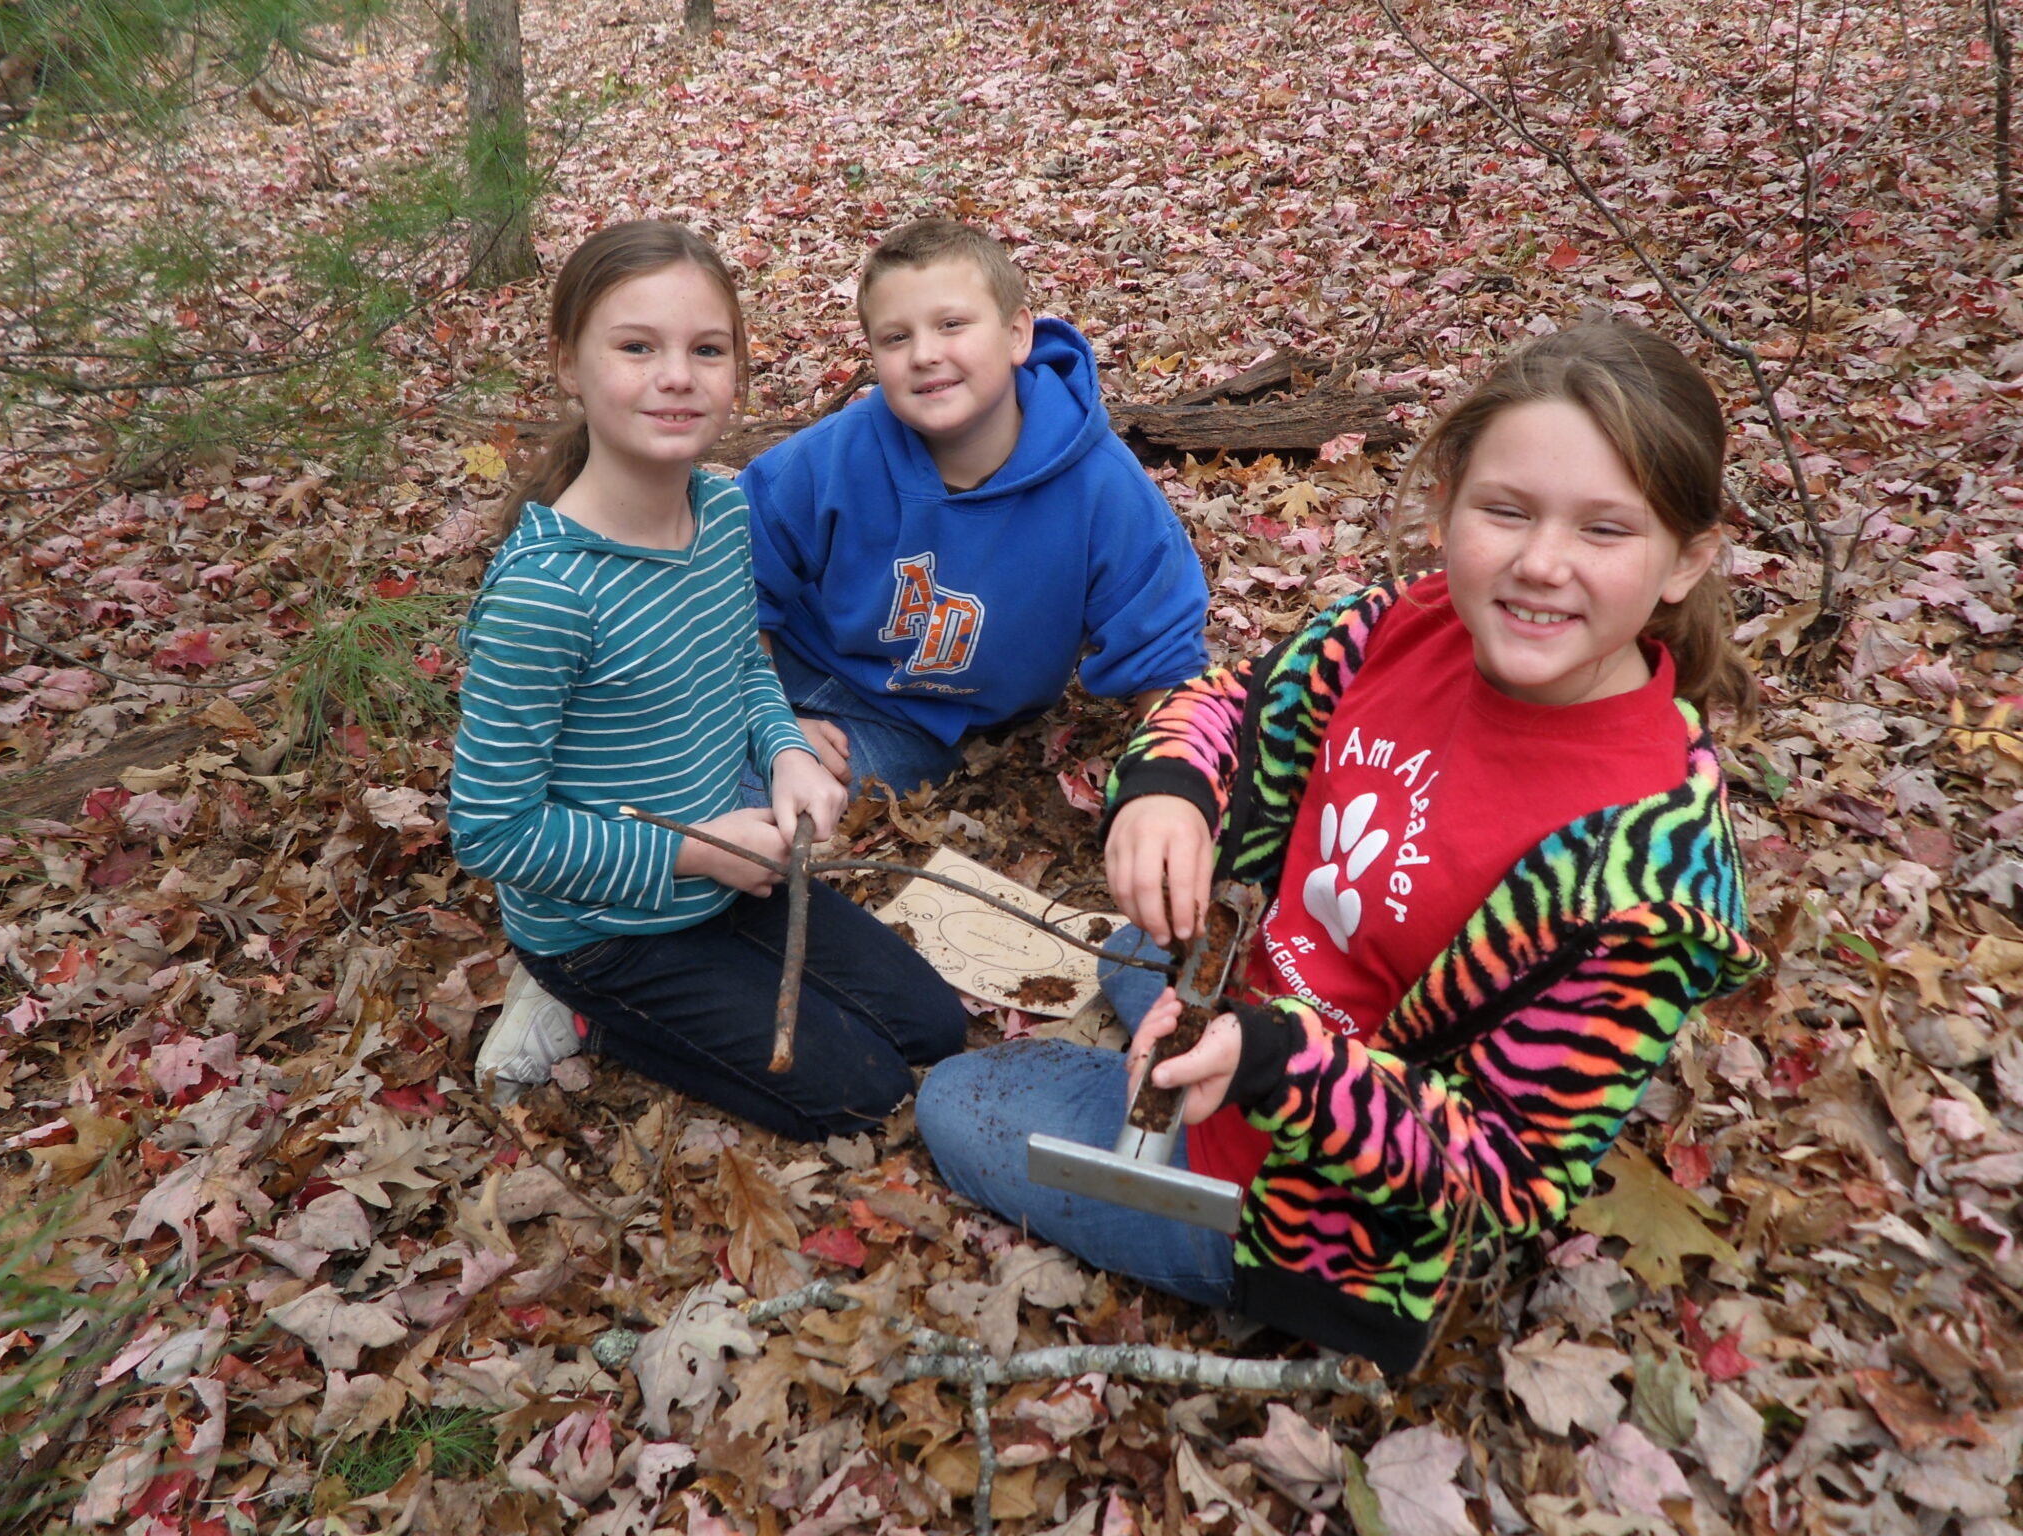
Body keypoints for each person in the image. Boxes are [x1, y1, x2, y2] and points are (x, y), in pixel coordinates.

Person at [917, 323, 1769, 1376]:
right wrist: (1166, 786)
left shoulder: (1646, 871)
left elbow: (1506, 1174)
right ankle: (1188, 1032)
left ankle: (1220, 1212)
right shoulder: (1405, 625)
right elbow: (1228, 699)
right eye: (1505, 511)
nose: (1541, 563)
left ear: (1685, 561)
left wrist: (1275, 1064)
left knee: (950, 1100)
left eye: (1604, 530)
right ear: (1448, 503)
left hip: (1319, 1199)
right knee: (1131, 948)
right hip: (1259, 995)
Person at [450, 221, 965, 1138]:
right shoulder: (545, 595)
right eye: (636, 347)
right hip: (603, 928)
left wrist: (786, 752)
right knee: (865, 1093)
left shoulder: (722, 511)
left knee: (934, 1026)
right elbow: (491, 831)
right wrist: (690, 853)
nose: (677, 376)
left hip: (728, 874)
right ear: (568, 365)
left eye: (707, 350)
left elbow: (742, 666)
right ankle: (585, 1015)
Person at [736, 218, 1209, 800]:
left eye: (952, 325)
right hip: (781, 663)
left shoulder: (1100, 486)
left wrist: (1169, 790)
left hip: (909, 720)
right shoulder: (832, 457)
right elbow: (732, 576)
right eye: (896, 338)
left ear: (1016, 335)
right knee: (666, 766)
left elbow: (1165, 657)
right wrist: (769, 723)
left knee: (762, 808)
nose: (924, 354)